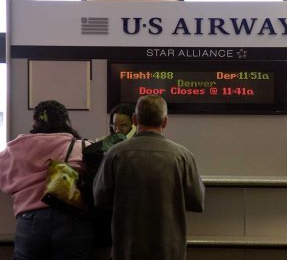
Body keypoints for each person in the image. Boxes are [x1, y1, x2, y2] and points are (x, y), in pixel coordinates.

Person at [93, 95, 205, 260]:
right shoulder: (182, 156)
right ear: (165, 121)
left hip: (127, 247)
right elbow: (196, 200)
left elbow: (100, 198)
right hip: (169, 248)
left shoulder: (115, 154)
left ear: (135, 119)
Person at [0, 100, 93, 260]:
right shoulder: (83, 147)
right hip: (71, 219)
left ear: (36, 121)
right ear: (65, 120)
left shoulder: (13, 151)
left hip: (29, 220)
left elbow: (4, 181)